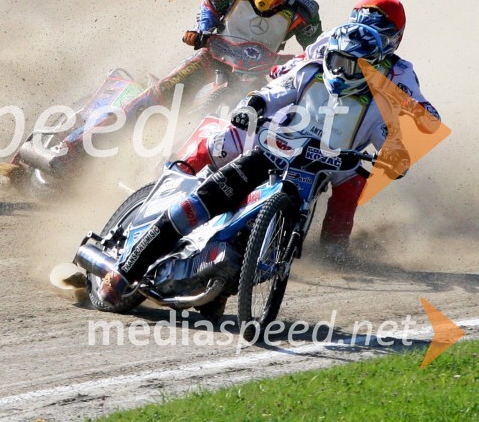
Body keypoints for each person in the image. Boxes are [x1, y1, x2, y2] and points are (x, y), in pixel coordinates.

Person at [97, 22, 434, 305]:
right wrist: (252, 107)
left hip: (309, 180)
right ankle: (125, 270)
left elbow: (391, 140)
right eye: (335, 59)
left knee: (265, 244)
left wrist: (396, 159)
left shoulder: (378, 105)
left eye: (351, 65)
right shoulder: (309, 73)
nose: (338, 70)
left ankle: (219, 288)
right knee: (198, 204)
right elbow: (271, 94)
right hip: (267, 157)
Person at [5, 0, 322, 176]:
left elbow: (315, 49)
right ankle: (71, 150)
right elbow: (209, 8)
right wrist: (201, 31)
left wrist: (304, 63)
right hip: (211, 58)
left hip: (255, 76)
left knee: (255, 127)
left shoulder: (305, 13)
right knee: (160, 95)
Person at [181, 0, 440, 258]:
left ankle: (334, 247)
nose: (360, 39)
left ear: (393, 39)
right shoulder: (331, 40)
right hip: (302, 117)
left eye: (376, 32)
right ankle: (181, 174)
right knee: (236, 135)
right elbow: (296, 66)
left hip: (345, 139)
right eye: (359, 24)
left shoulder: (400, 71)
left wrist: (414, 110)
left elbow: (426, 118)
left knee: (353, 182)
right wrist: (283, 71)